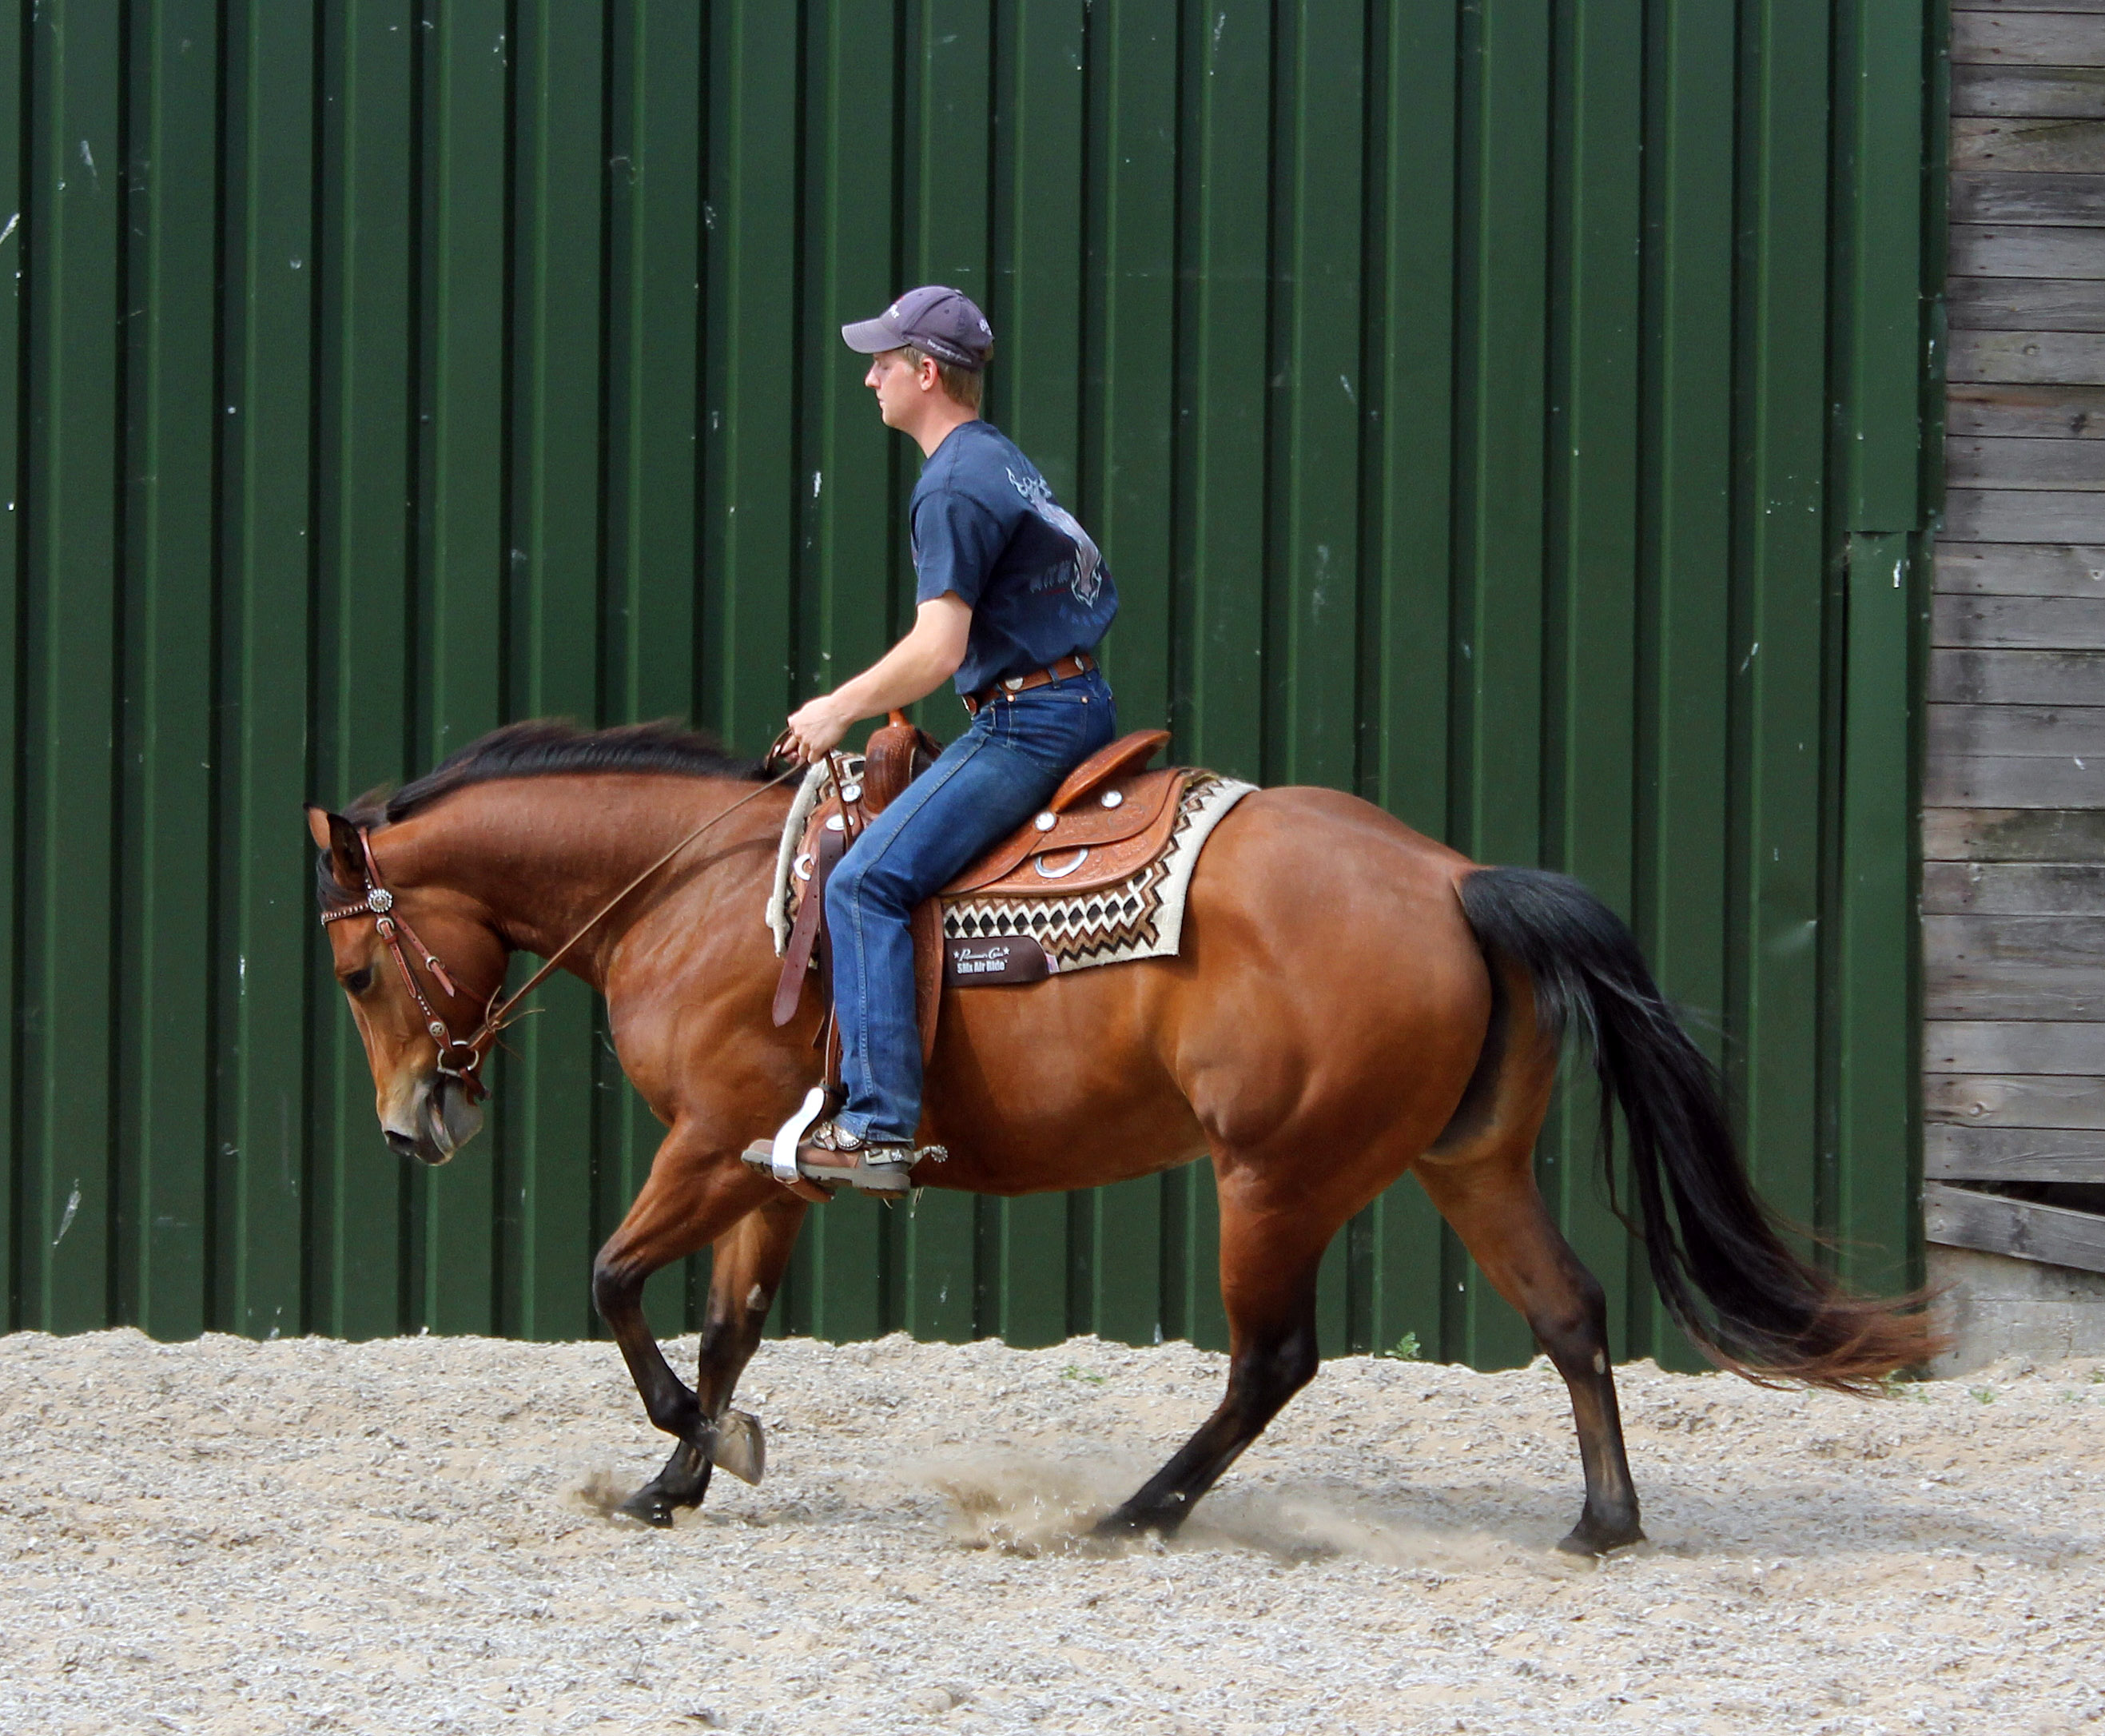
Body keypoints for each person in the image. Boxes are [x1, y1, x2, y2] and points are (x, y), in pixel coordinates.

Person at [776, 285, 1120, 1187]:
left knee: (862, 883)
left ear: (927, 373)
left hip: (1029, 722)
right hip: (1073, 699)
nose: (869, 377)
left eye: (884, 362)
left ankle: (881, 1125)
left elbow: (939, 647)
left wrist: (836, 707)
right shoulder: (997, 460)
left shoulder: (952, 485)